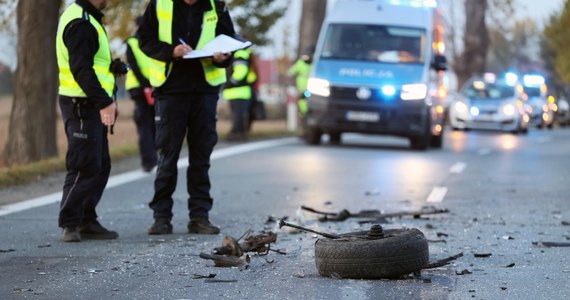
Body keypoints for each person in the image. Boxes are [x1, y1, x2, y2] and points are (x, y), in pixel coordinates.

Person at [138, 0, 236, 235]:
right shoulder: (159, 5)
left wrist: (223, 58)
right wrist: (171, 51)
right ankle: (161, 217)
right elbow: (145, 41)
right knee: (167, 157)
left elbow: (229, 42)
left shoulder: (217, 7)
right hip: (171, 91)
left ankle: (199, 217)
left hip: (204, 92)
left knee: (201, 158)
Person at [55, 0, 124, 242]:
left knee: (100, 164)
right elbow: (81, 69)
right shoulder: (82, 23)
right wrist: (105, 102)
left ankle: (86, 219)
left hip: (88, 102)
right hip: (81, 104)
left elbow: (91, 63)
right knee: (84, 164)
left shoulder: (90, 18)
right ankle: (70, 223)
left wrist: (112, 68)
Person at [125, 17, 157, 172]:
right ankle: (150, 161)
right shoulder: (135, 42)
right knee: (148, 125)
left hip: (146, 87)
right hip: (144, 87)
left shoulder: (133, 42)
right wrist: (148, 85)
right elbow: (134, 66)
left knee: (148, 125)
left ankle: (151, 161)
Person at [223, 47, 256, 141]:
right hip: (239, 91)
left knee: (237, 115)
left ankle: (235, 134)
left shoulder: (240, 54)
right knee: (239, 115)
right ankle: (240, 134)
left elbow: (241, 71)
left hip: (238, 91)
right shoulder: (244, 53)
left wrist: (230, 83)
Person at [288, 47, 313, 119]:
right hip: (303, 87)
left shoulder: (313, 63)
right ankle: (304, 112)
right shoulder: (300, 63)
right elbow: (291, 72)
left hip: (312, 87)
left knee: (310, 99)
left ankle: (308, 111)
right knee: (303, 99)